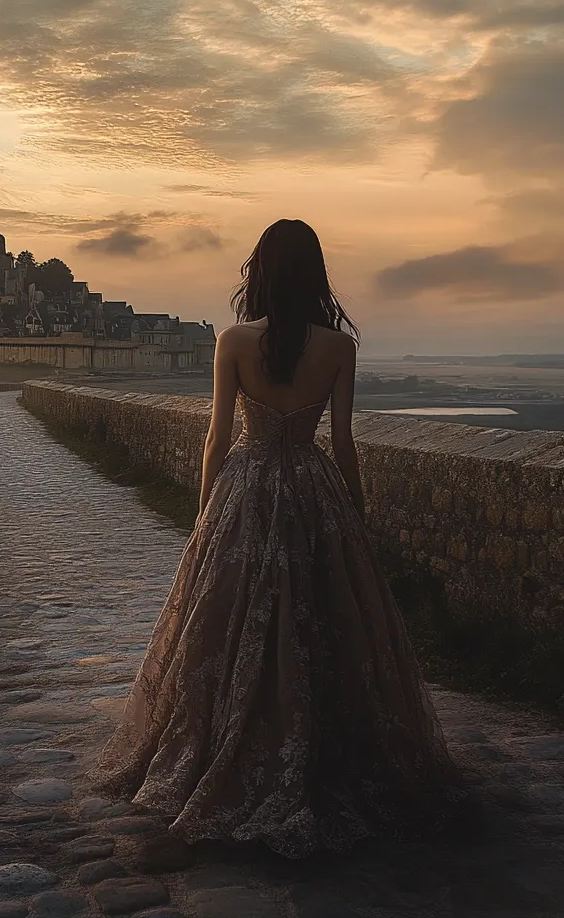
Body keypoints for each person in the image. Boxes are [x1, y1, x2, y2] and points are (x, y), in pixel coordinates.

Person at [90, 219, 465, 858]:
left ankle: (232, 742)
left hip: (248, 485)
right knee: (323, 617)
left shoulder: (234, 341)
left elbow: (216, 438)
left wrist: (205, 515)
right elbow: (342, 443)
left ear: (260, 271)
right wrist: (355, 515)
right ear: (315, 273)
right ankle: (321, 748)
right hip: (313, 488)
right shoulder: (339, 347)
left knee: (230, 621)